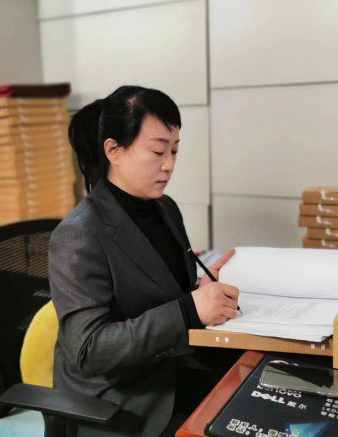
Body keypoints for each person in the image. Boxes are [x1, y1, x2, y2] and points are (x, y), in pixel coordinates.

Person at [49, 85, 241, 436]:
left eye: (174, 151)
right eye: (157, 151)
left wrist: (199, 289)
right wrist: (189, 309)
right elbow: (89, 351)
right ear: (114, 151)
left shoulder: (164, 208)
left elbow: (161, 292)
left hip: (173, 367)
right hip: (121, 401)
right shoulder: (79, 234)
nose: (169, 165)